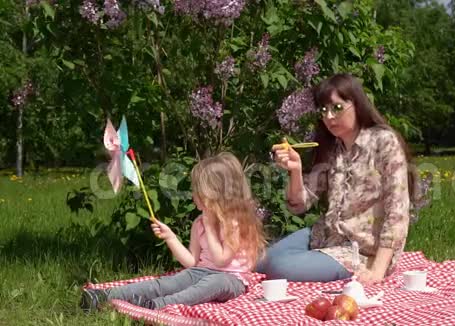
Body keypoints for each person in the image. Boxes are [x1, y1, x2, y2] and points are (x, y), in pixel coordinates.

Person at [257, 73, 422, 285]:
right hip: (325, 237)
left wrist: (377, 271)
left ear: (357, 104)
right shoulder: (332, 149)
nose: (329, 117)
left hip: (359, 252)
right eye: (323, 110)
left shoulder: (383, 141)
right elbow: (299, 205)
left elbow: (397, 212)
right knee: (261, 261)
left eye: (336, 108)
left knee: (279, 267)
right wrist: (295, 170)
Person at [81, 152, 267, 311]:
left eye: (198, 190)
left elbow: (221, 260)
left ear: (215, 194)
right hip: (201, 272)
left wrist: (210, 226)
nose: (193, 195)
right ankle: (103, 296)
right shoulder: (199, 223)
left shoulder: (233, 223)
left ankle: (155, 306)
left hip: (231, 280)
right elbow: (191, 262)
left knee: (211, 285)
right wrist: (171, 237)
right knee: (168, 283)